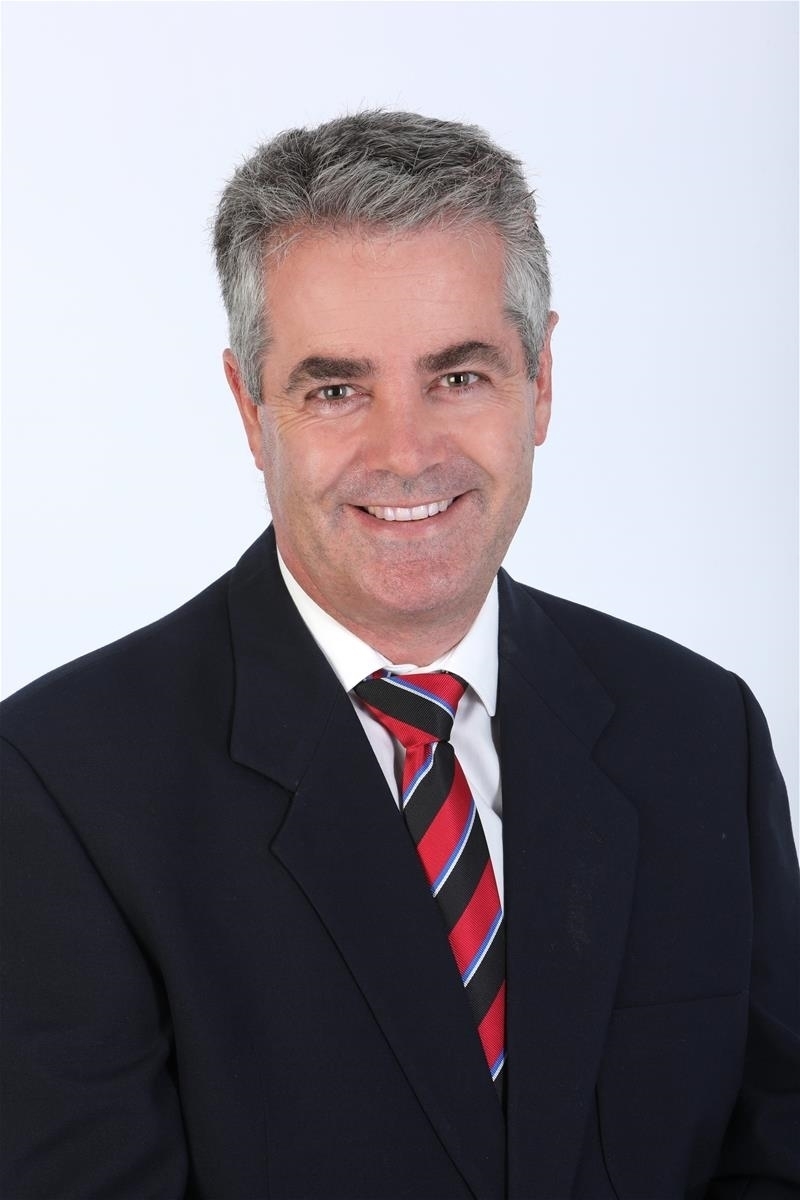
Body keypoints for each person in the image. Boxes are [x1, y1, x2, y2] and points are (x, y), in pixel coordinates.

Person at [1, 110, 798, 1200]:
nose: (406, 452)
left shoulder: (700, 731)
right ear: (250, 410)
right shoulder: (60, 784)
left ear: (540, 382)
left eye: (458, 377)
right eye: (336, 390)